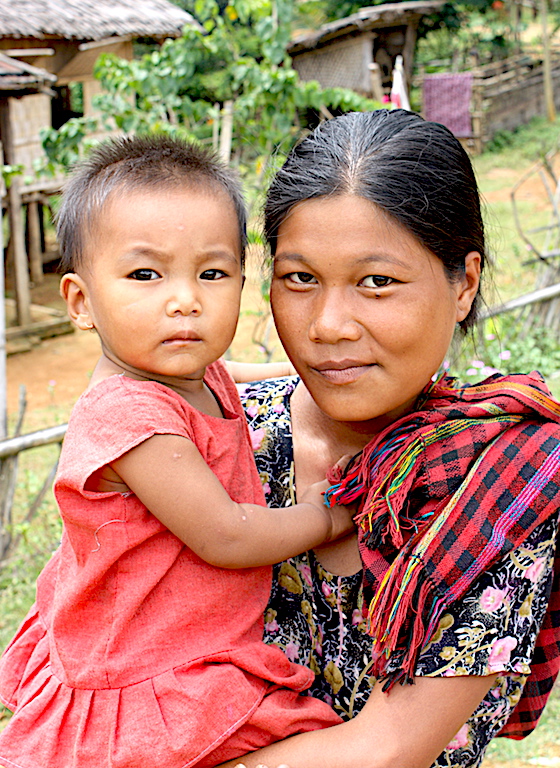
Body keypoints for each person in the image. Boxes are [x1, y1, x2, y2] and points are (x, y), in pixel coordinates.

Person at [220, 109, 560, 768]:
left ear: (463, 283)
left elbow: (385, 749)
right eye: (300, 279)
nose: (329, 324)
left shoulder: (504, 482)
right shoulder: (214, 440)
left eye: (377, 282)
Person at [0, 135, 352, 768]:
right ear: (81, 301)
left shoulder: (192, 371)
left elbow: (248, 376)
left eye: (211, 274)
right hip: (148, 669)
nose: (184, 299)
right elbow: (227, 535)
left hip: (184, 638)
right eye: (144, 274)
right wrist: (333, 516)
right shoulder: (131, 416)